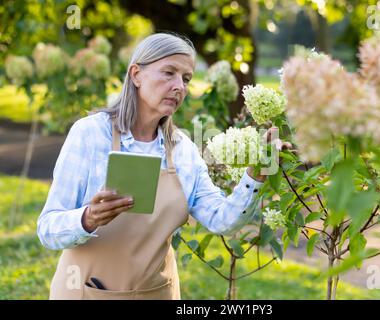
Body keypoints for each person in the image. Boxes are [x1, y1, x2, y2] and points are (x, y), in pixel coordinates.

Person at [37, 32, 275, 300]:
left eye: (186, 79)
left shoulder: (183, 150)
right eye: (169, 73)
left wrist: (255, 178)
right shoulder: (90, 135)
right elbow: (47, 230)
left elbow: (222, 220)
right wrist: (87, 218)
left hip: (157, 293)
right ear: (136, 74)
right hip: (84, 292)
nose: (179, 87)